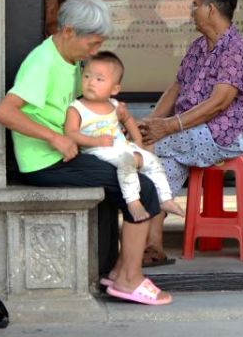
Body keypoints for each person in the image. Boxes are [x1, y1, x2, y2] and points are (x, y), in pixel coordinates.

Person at [0, 0, 172, 306]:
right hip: (46, 162)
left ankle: (120, 273)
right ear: (68, 32)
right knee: (141, 190)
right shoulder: (42, 62)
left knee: (141, 178)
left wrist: (113, 111)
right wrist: (55, 137)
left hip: (75, 153)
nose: (94, 52)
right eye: (91, 44)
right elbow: (5, 112)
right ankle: (129, 279)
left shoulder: (73, 61)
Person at [138, 0, 243, 254]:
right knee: (157, 156)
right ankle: (154, 245)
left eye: (194, 5)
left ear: (210, 10)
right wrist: (150, 123)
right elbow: (177, 87)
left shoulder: (236, 48)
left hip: (227, 136)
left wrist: (168, 126)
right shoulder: (197, 46)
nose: (190, 11)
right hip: (194, 133)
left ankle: (146, 240)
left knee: (150, 147)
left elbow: (220, 102)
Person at [64, 50, 185, 224]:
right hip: (98, 151)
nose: (91, 83)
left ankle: (165, 199)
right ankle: (132, 202)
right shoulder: (77, 108)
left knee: (153, 160)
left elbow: (129, 121)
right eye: (87, 76)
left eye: (99, 79)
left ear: (114, 89)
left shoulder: (115, 106)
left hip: (121, 148)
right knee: (127, 162)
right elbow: (70, 133)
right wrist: (95, 141)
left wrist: (138, 143)